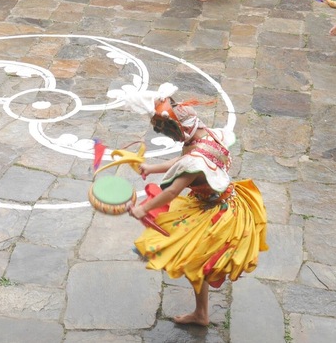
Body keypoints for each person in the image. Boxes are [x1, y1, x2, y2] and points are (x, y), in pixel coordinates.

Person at [107, 82, 266, 326]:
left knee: (194, 259)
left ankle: (201, 313)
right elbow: (182, 160)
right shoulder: (208, 135)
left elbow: (172, 191)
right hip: (220, 201)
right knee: (196, 261)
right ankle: (201, 313)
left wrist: (142, 209)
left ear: (178, 130)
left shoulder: (196, 161)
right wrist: (151, 167)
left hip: (216, 213)